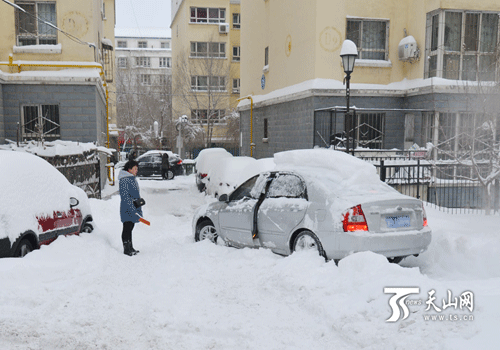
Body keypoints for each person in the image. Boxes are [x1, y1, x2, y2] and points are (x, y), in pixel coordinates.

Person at [119, 160, 142, 256]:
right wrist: (132, 208)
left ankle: (130, 247)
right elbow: (125, 197)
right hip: (127, 208)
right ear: (129, 169)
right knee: (127, 227)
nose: (136, 170)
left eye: (137, 168)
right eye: (135, 169)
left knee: (130, 227)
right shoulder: (124, 180)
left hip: (133, 206)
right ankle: (126, 248)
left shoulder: (131, 178)